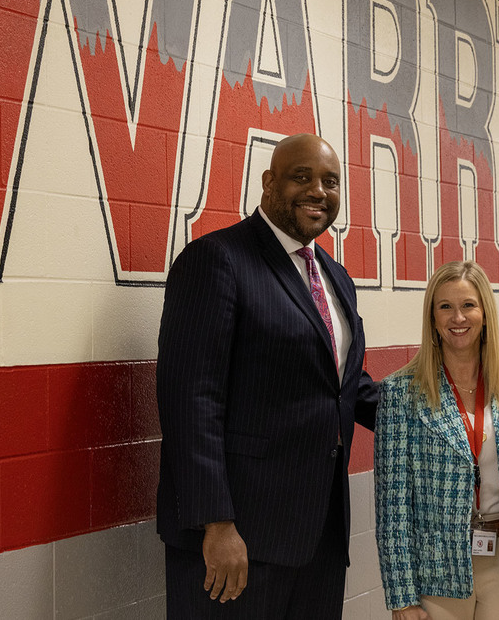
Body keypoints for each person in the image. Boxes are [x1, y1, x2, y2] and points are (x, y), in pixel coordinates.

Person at [155, 133, 378, 619]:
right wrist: (216, 522)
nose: (318, 191)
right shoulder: (217, 260)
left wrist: (434, 410)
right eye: (302, 177)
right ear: (268, 183)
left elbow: (343, 384)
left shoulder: (334, 278)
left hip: (318, 534)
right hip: (239, 538)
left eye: (330, 181)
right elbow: (191, 399)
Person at [375, 260, 499, 620]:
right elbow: (392, 506)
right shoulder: (401, 392)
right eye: (445, 307)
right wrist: (402, 596)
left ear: (485, 313)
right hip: (436, 570)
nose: (457, 318)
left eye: (468, 305)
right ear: (432, 317)